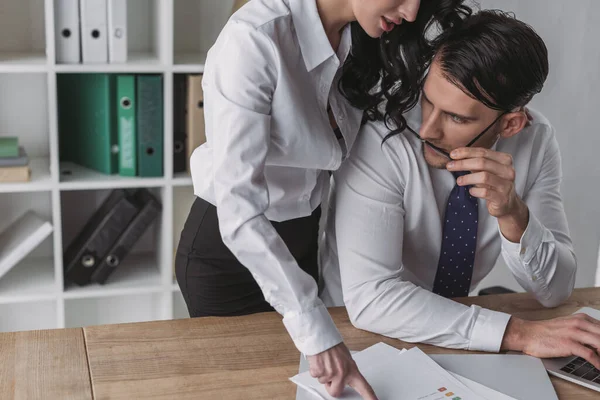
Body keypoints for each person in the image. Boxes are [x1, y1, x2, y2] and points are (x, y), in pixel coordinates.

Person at [175, 0, 472, 398]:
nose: (412, 11)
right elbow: (238, 211)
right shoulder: (255, 39)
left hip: (302, 246)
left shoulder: (365, 41)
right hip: (230, 259)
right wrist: (314, 330)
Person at [324, 9, 600, 369]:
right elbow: (373, 298)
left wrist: (514, 214)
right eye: (427, 101)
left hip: (458, 343)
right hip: (355, 340)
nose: (427, 130)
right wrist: (519, 334)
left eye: (456, 117)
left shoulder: (535, 142)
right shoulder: (384, 140)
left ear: (511, 124)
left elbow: (555, 292)